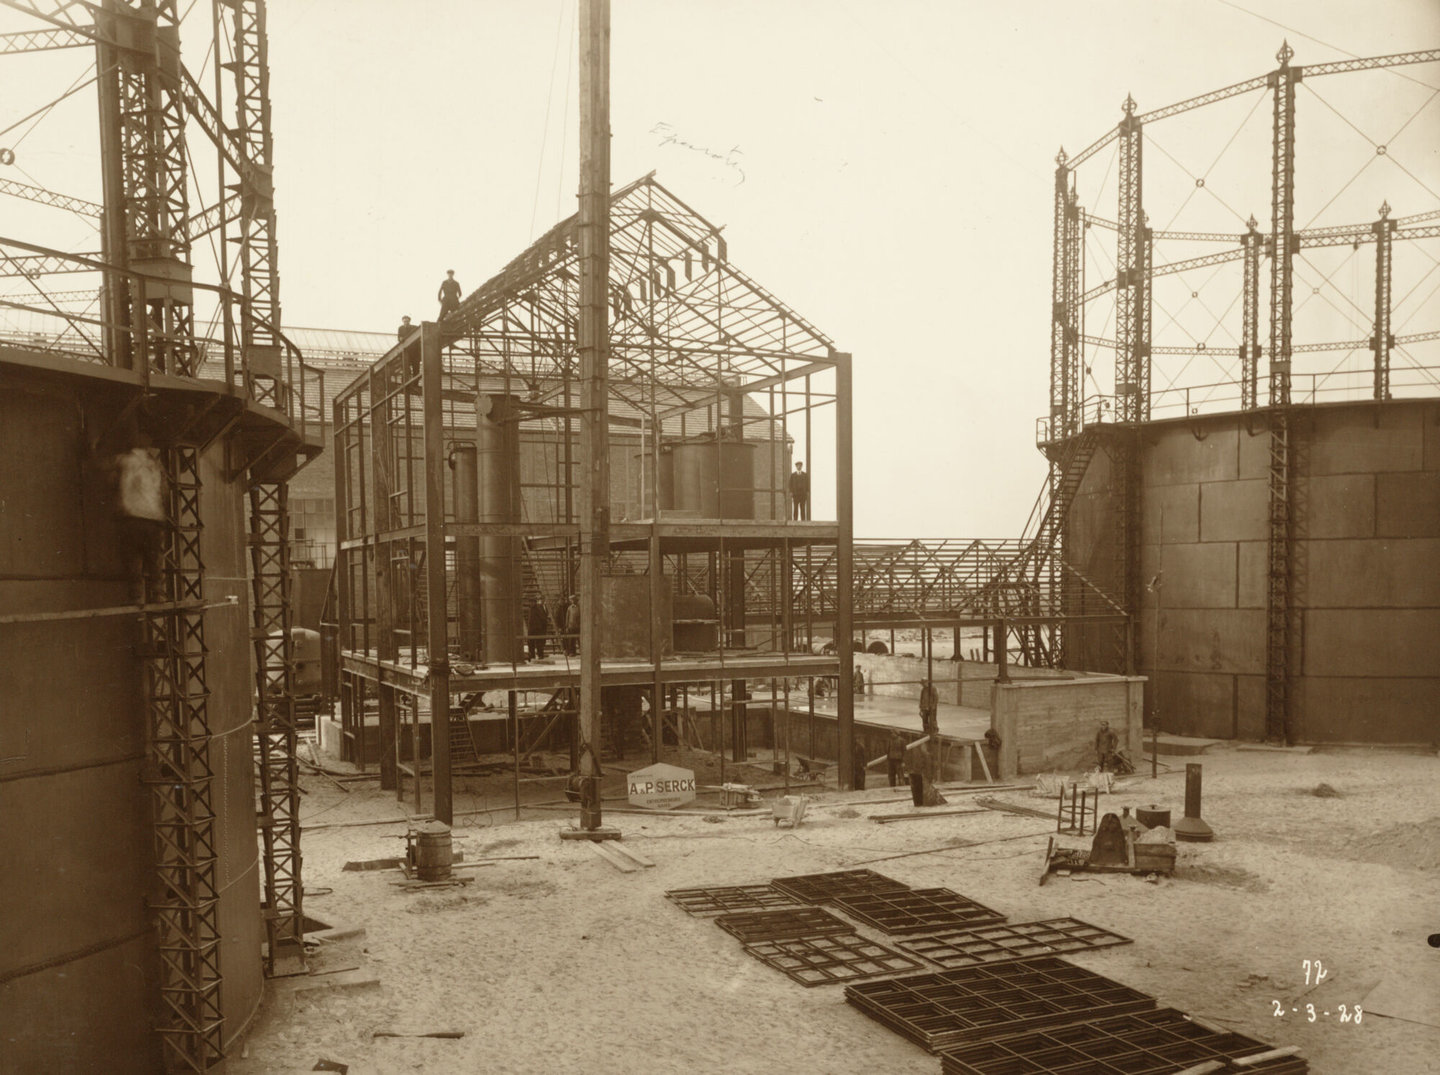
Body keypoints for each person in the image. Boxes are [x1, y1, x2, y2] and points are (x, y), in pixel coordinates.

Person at [113, 433, 168, 603]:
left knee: (132, 557)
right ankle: (158, 593)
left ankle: (137, 595)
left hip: (133, 518)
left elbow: (107, 466)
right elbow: (164, 491)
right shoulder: (154, 465)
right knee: (154, 559)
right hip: (153, 519)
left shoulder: (127, 460)